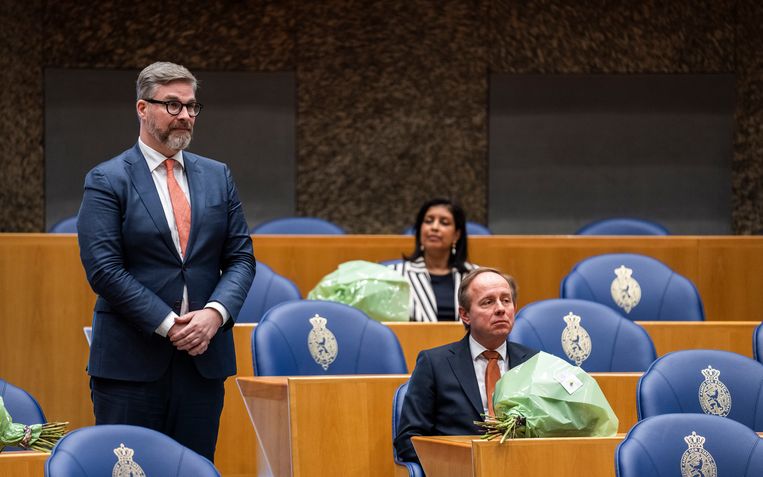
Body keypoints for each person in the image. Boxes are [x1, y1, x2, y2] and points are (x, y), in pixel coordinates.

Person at [77, 61, 256, 461]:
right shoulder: (107, 179)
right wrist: (168, 324)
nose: (185, 116)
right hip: (130, 366)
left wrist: (215, 314)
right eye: (173, 105)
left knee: (194, 467)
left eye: (191, 106)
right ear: (142, 108)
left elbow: (241, 258)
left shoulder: (218, 176)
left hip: (202, 362)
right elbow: (104, 269)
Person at [393, 267, 539, 465]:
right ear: (465, 314)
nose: (500, 309)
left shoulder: (534, 362)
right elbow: (408, 441)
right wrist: (463, 458)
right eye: (488, 302)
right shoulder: (434, 364)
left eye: (506, 300)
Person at [389, 198, 476, 322]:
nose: (434, 227)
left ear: (456, 235)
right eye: (428, 221)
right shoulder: (394, 275)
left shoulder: (476, 277)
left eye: (444, 223)